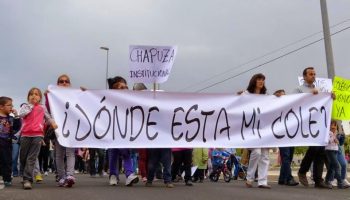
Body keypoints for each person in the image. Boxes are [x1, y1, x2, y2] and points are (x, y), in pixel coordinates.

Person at [296, 67, 329, 188]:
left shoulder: (320, 89)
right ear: (304, 76)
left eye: (314, 74)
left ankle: (318, 180)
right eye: (311, 74)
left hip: (318, 122)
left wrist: (330, 96)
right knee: (315, 148)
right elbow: (293, 102)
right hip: (305, 122)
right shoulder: (299, 89)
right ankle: (302, 171)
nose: (313, 76)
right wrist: (310, 95)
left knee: (320, 150)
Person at [18, 88, 57, 189]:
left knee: (31, 157)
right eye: (31, 94)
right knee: (23, 157)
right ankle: (24, 174)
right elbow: (21, 114)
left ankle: (27, 179)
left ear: (40, 98)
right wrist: (30, 106)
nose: (33, 96)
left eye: (36, 94)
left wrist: (53, 123)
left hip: (37, 135)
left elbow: (48, 117)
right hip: (25, 135)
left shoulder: (42, 107)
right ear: (28, 97)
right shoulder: (25, 106)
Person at [107, 76, 139, 186]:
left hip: (125, 131)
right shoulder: (107, 99)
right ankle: (113, 175)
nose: (125, 89)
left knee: (126, 152)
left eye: (126, 87)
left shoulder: (130, 100)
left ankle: (128, 174)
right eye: (121, 87)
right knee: (114, 152)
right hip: (112, 130)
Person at [241, 73, 271, 189]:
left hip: (264, 129)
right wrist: (238, 96)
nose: (261, 81)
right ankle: (249, 178)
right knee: (257, 152)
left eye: (263, 79)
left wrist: (278, 96)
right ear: (254, 80)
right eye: (259, 79)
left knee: (265, 155)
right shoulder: (246, 94)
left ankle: (262, 181)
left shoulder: (267, 96)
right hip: (251, 129)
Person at [45, 74, 76, 187]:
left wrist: (85, 93)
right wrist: (48, 96)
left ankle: (70, 175)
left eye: (66, 81)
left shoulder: (75, 95)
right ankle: (62, 177)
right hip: (58, 128)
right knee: (59, 154)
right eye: (61, 81)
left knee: (70, 152)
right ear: (57, 84)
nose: (64, 83)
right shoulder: (52, 95)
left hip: (71, 128)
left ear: (69, 84)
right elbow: (48, 109)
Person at [274, 89, 299, 186]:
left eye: (285, 95)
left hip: (291, 135)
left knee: (289, 157)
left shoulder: (290, 106)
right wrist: (274, 97)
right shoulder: (276, 106)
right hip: (282, 136)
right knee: (286, 157)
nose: (283, 97)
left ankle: (281, 178)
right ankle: (289, 178)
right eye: (281, 95)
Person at [0, 96, 22, 187]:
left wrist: (17, 116)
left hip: (7, 142)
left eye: (12, 105)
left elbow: (17, 128)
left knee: (8, 160)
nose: (11, 107)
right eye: (9, 105)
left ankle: (7, 178)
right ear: (1, 106)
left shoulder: (11, 118)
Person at [325, 120, 349, 189]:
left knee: (331, 168)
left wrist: (340, 137)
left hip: (335, 150)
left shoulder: (336, 133)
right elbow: (329, 141)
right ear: (329, 126)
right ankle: (340, 183)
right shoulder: (328, 133)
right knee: (337, 166)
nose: (333, 127)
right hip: (329, 151)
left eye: (335, 125)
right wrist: (334, 135)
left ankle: (327, 181)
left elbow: (338, 143)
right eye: (331, 125)